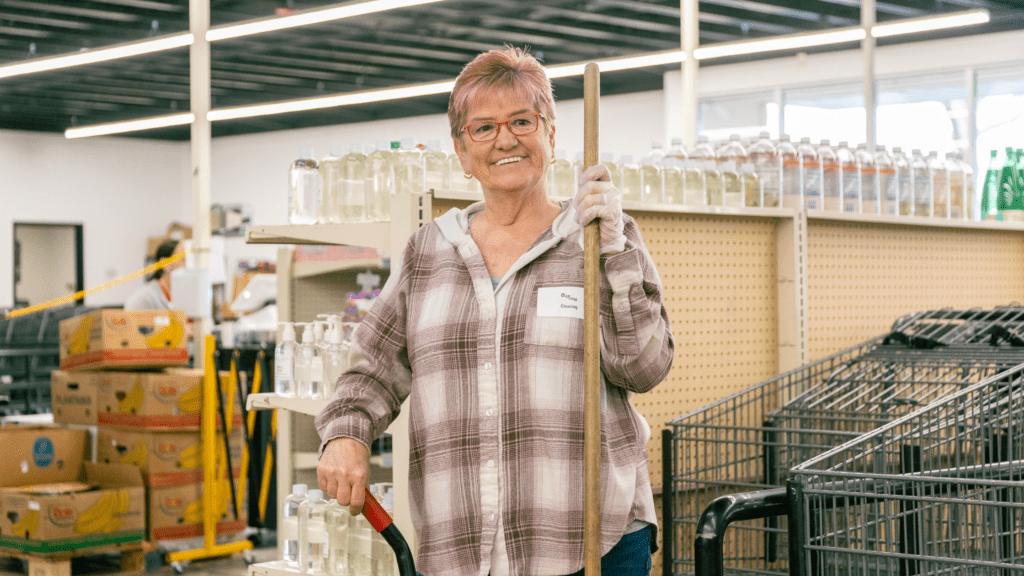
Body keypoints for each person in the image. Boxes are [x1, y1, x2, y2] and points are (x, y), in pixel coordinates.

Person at [315, 46, 674, 576]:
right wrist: (345, 435)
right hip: (461, 547)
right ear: (461, 152)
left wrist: (616, 253)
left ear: (551, 136)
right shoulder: (428, 252)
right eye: (483, 128)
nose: (505, 139)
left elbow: (644, 368)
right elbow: (371, 369)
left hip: (594, 542)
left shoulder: (599, 238)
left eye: (522, 121)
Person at [124, 239, 185, 310]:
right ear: (166, 264)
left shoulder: (187, 296)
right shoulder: (143, 299)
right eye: (184, 259)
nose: (191, 265)